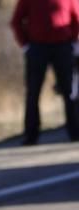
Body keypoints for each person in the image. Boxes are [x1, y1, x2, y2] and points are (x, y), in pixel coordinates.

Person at [10, 0, 79, 144]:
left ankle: (75, 131)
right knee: (33, 92)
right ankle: (31, 135)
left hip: (63, 47)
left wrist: (73, 42)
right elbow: (16, 21)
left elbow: (76, 19)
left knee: (69, 92)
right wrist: (25, 46)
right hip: (37, 48)